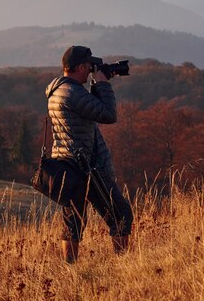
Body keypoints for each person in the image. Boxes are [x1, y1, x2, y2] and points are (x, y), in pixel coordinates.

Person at [45, 45, 133, 263]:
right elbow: (108, 114)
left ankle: (70, 268)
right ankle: (123, 265)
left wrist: (96, 85)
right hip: (86, 166)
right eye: (89, 67)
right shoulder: (72, 92)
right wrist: (103, 83)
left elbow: (88, 111)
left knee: (73, 219)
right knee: (120, 214)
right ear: (81, 66)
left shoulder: (59, 90)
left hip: (68, 164)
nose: (91, 71)